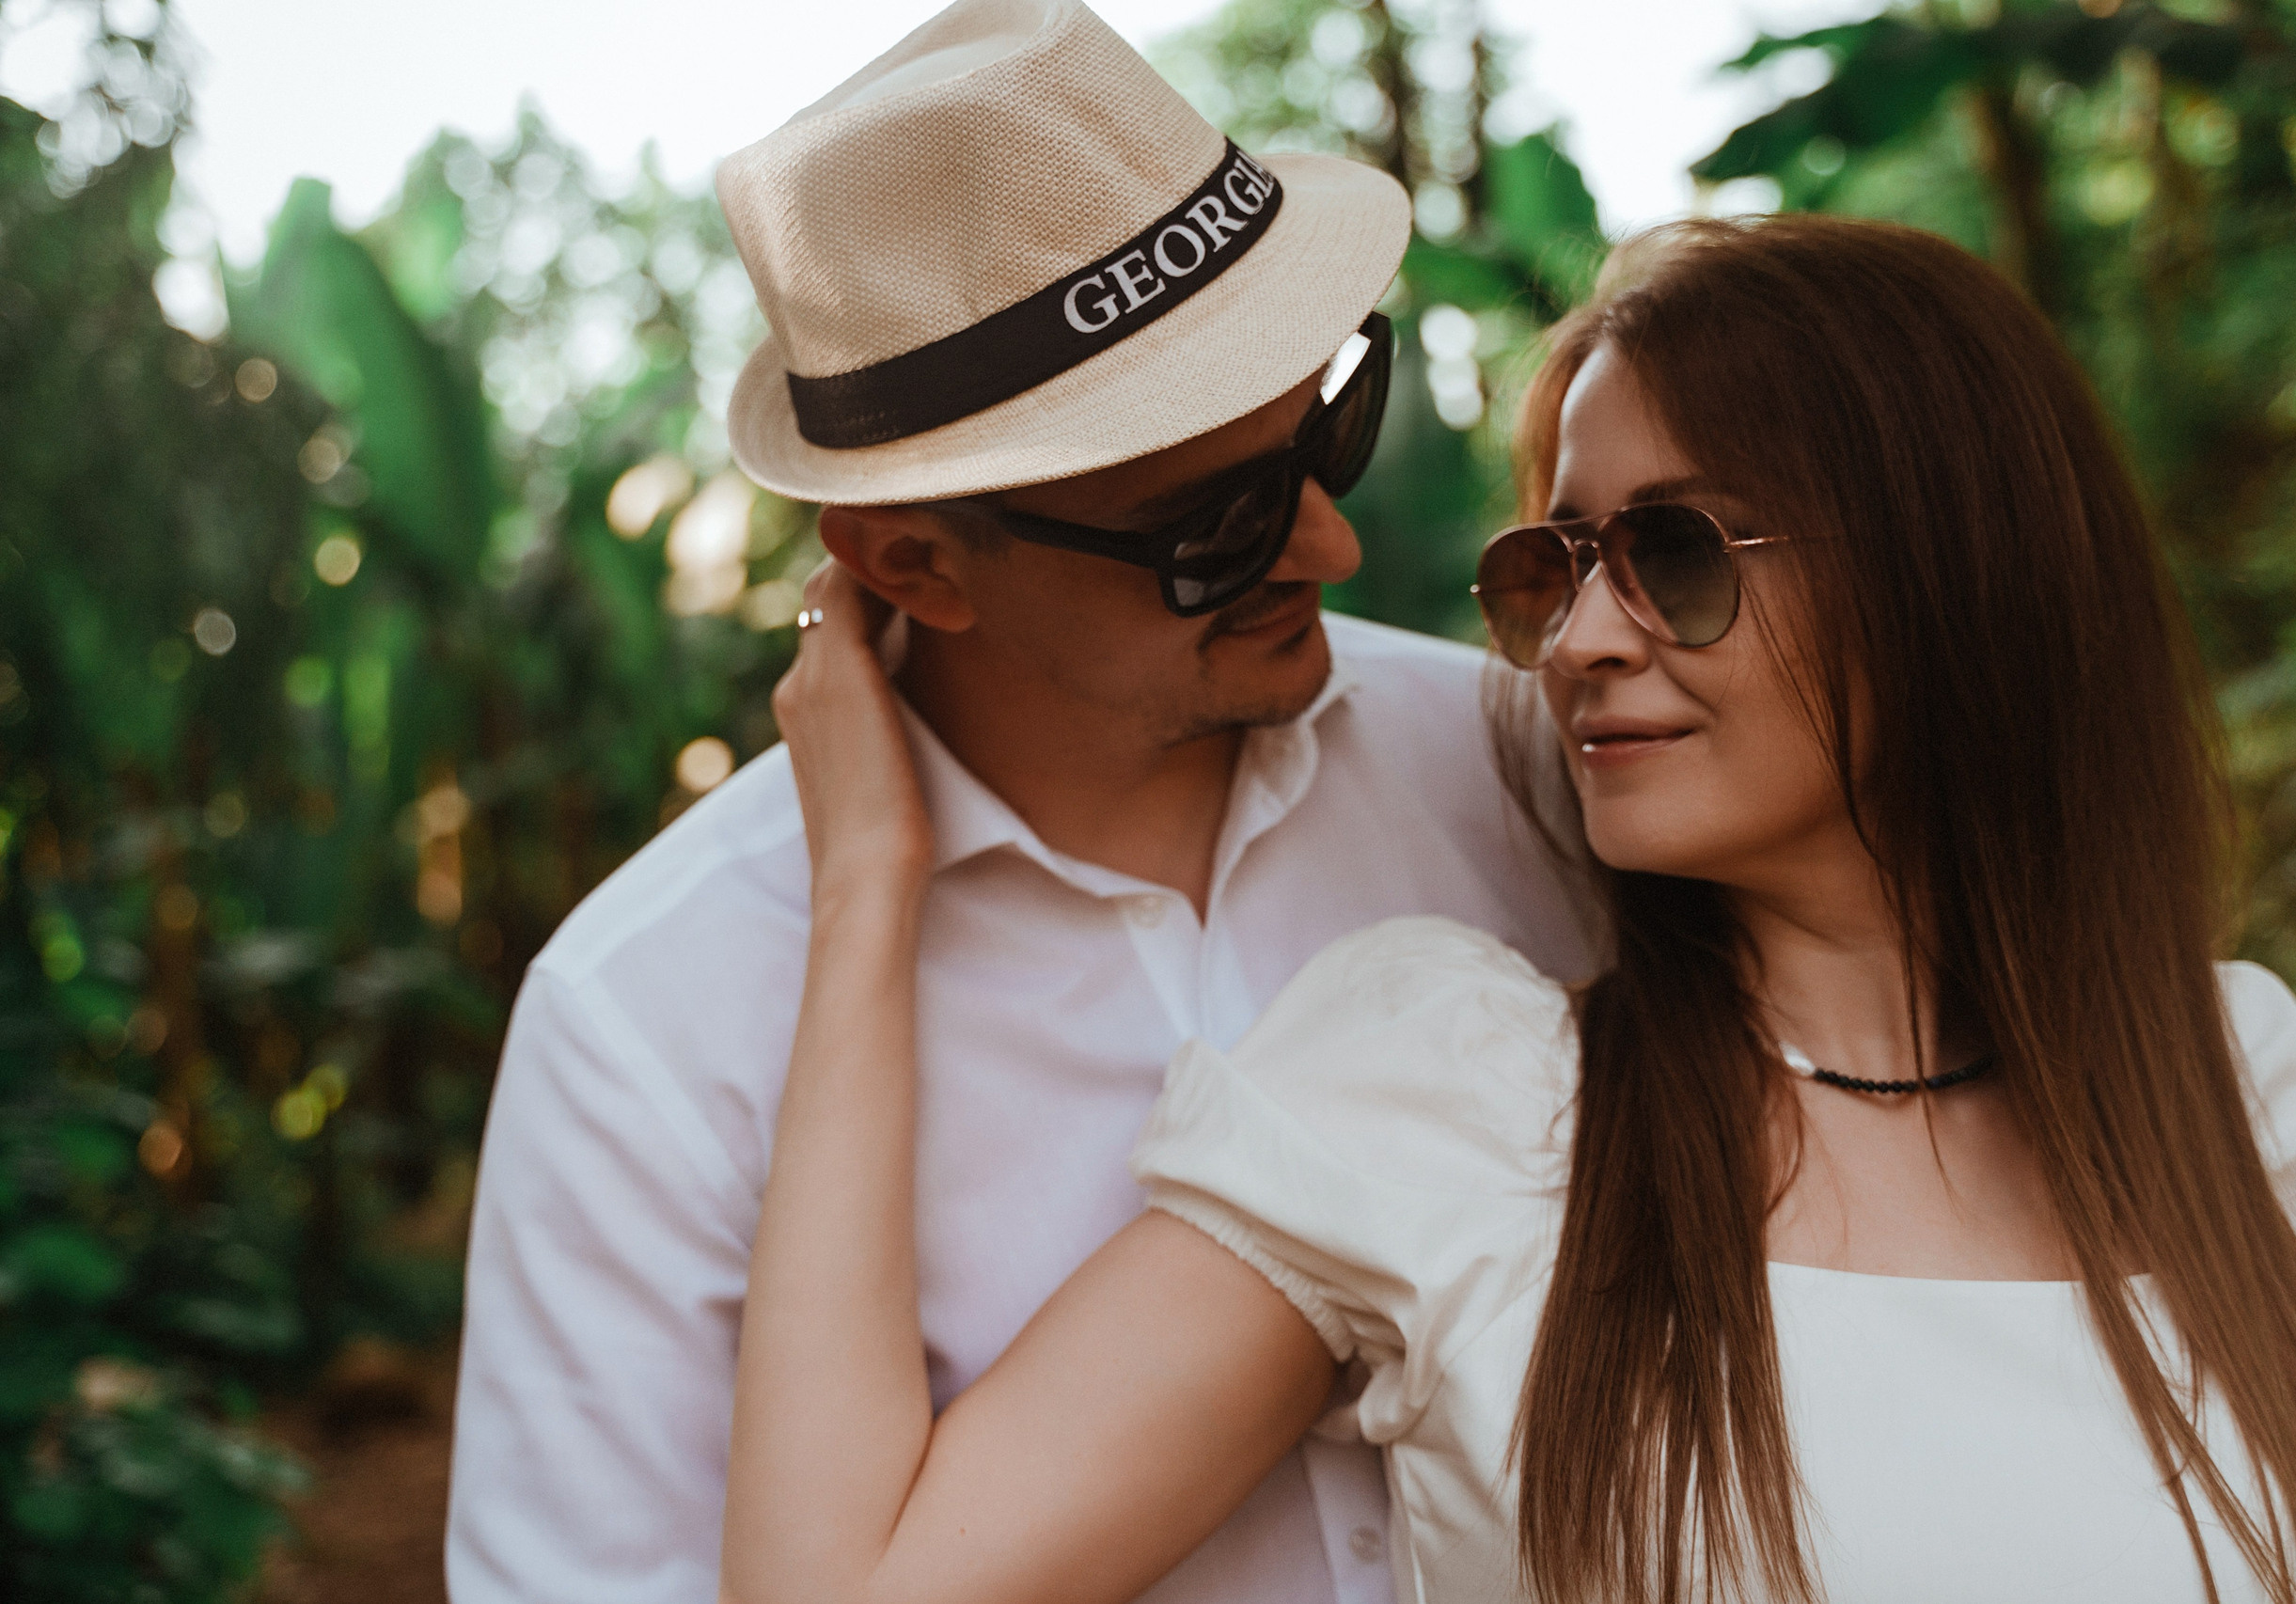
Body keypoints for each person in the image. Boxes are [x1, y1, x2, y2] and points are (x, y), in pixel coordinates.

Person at [729, 213, 2296, 1604]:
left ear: (1951, 562)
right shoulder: (1469, 1108)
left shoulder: (2226, 1094)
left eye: (1671, 551)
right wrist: (875, 880)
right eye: (1557, 565)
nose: (1587, 638)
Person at [443, 2, 1595, 1600]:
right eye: (1221, 523)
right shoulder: (648, 1021)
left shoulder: (1529, 768)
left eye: (1326, 433)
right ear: (911, 561)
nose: (1329, 548)